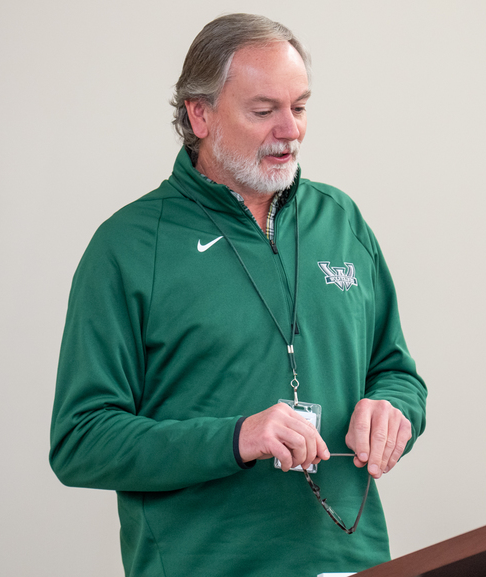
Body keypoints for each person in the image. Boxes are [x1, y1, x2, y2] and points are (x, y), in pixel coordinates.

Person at [49, 13, 427, 577]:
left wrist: (394, 411)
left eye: (299, 107)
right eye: (263, 110)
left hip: (354, 562)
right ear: (199, 115)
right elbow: (81, 440)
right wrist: (236, 437)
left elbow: (396, 373)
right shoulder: (128, 246)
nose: (290, 129)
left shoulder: (341, 221)